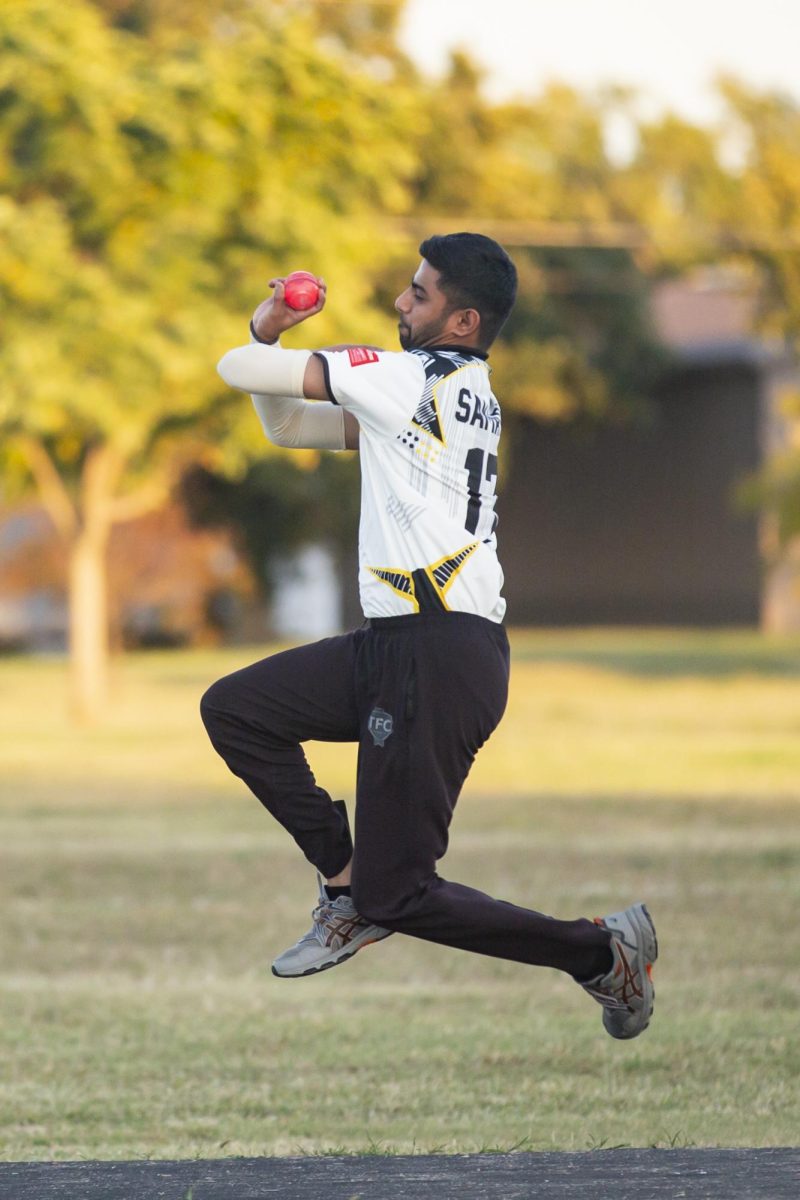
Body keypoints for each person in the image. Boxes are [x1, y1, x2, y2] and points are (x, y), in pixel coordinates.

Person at [202, 232, 657, 1040]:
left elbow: (238, 374)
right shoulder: (449, 393)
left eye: (419, 293)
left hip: (438, 654)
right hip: (402, 644)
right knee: (238, 709)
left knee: (401, 895)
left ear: (462, 319)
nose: (401, 304)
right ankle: (344, 884)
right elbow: (285, 428)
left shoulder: (408, 377)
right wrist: (271, 340)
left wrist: (267, 324)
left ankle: (599, 953)